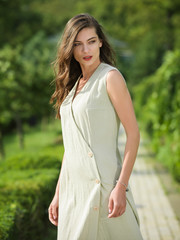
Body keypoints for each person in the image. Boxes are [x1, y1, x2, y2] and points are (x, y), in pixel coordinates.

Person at [48, 13, 143, 240]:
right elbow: (71, 148)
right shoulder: (73, 86)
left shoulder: (110, 78)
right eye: (78, 44)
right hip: (74, 192)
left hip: (103, 189)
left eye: (91, 41)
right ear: (70, 49)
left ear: (100, 41)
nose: (85, 50)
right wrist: (58, 193)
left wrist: (121, 187)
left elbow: (134, 134)